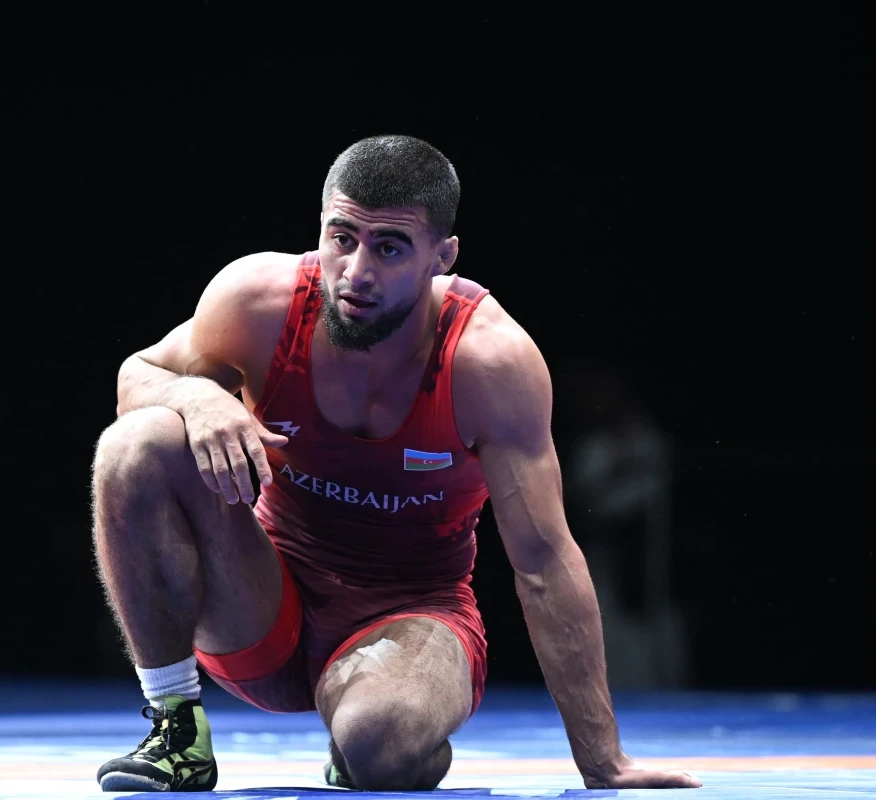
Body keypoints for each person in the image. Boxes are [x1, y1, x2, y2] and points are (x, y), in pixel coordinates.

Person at [92, 135, 701, 792]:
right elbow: (139, 373)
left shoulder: (489, 362)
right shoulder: (257, 303)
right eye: (342, 238)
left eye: (389, 248)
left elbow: (544, 561)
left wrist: (602, 761)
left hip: (413, 614)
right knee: (137, 443)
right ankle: (175, 729)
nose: (356, 272)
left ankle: (366, 740)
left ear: (443, 257)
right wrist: (193, 396)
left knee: (379, 743)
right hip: (261, 607)